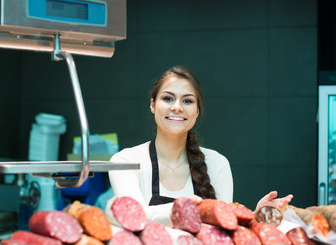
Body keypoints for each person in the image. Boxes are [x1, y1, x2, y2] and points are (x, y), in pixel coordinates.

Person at [106, 65, 292, 226]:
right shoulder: (125, 162)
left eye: (187, 101)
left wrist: (254, 218)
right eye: (168, 98)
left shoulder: (217, 164)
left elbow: (223, 228)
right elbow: (135, 218)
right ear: (153, 105)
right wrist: (186, 208)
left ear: (197, 111)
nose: (177, 107)